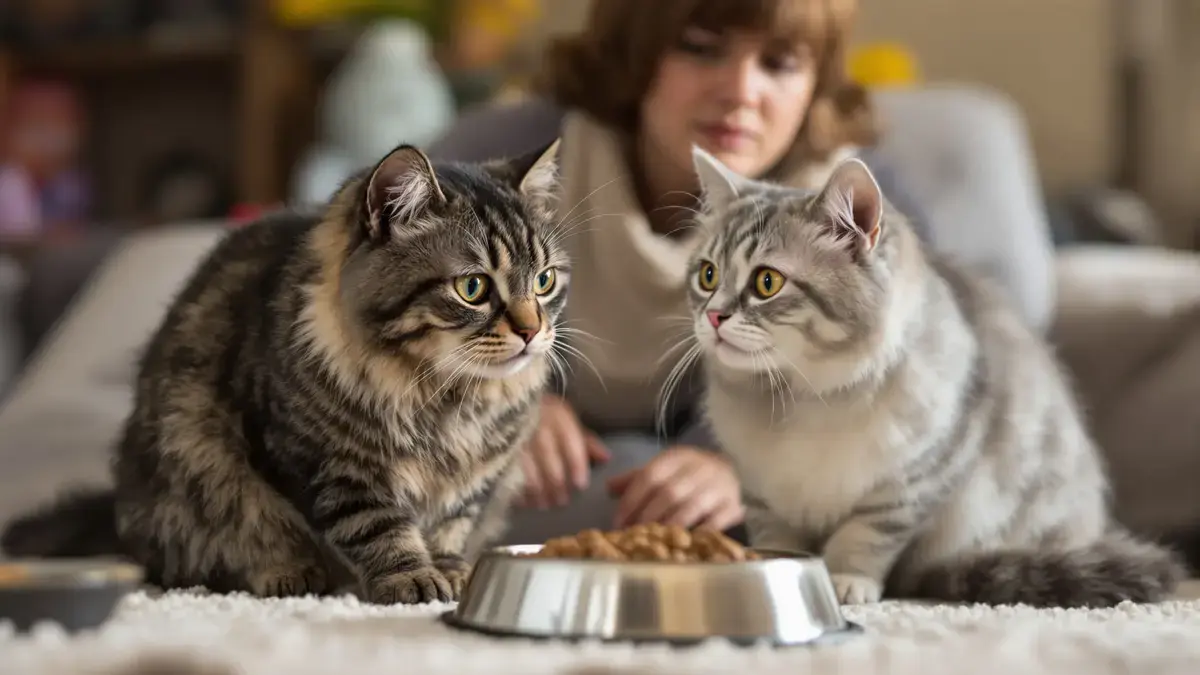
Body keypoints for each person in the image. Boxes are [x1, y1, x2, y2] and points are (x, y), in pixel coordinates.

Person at [427, 0, 1057, 544]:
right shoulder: (504, 151)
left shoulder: (862, 209)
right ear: (636, 54)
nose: (740, 91)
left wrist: (737, 461)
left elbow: (912, 392)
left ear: (815, 83)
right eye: (701, 50)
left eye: (779, 64)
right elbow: (375, 305)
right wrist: (505, 392)